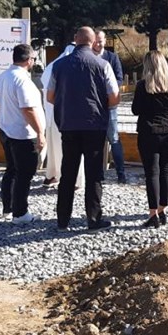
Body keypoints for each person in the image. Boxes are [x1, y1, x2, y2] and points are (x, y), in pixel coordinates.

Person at [47, 26, 119, 231]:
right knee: (94, 173)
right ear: (93, 41)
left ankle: (62, 220)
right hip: (94, 125)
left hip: (68, 125)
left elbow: (50, 96)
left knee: (68, 172)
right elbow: (114, 97)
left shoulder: (59, 65)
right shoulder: (103, 64)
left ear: (75, 39)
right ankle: (93, 219)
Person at [0, 44, 46, 224]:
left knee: (11, 170)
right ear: (29, 60)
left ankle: (8, 208)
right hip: (23, 133)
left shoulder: (3, 76)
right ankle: (20, 213)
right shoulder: (23, 80)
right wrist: (40, 133)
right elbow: (28, 109)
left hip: (5, 129)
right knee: (24, 174)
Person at [131, 50, 168, 228]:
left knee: (151, 173)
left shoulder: (143, 86)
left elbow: (135, 110)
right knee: (166, 172)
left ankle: (153, 214)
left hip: (149, 133)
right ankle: (162, 209)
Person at [40, 41, 82, 189]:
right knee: (72, 151)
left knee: (55, 149)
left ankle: (52, 175)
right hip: (70, 116)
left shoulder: (53, 66)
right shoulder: (76, 67)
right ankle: (75, 180)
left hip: (53, 115)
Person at [92, 30, 127, 183]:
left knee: (114, 138)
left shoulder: (112, 58)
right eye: (96, 41)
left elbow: (119, 78)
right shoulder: (88, 57)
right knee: (96, 141)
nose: (98, 44)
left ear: (105, 41)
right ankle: (98, 174)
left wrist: (109, 89)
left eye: (100, 41)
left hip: (109, 104)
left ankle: (121, 173)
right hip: (93, 105)